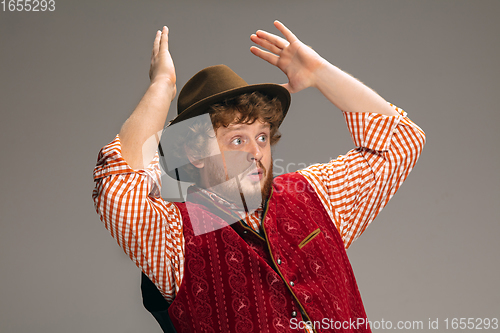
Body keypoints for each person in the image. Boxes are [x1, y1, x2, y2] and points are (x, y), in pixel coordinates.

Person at [93, 21, 425, 333]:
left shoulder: (314, 194)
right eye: (238, 139)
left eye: (262, 137)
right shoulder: (174, 238)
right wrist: (162, 86)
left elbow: (401, 141)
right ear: (194, 152)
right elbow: (118, 186)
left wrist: (319, 73)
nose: (256, 152)